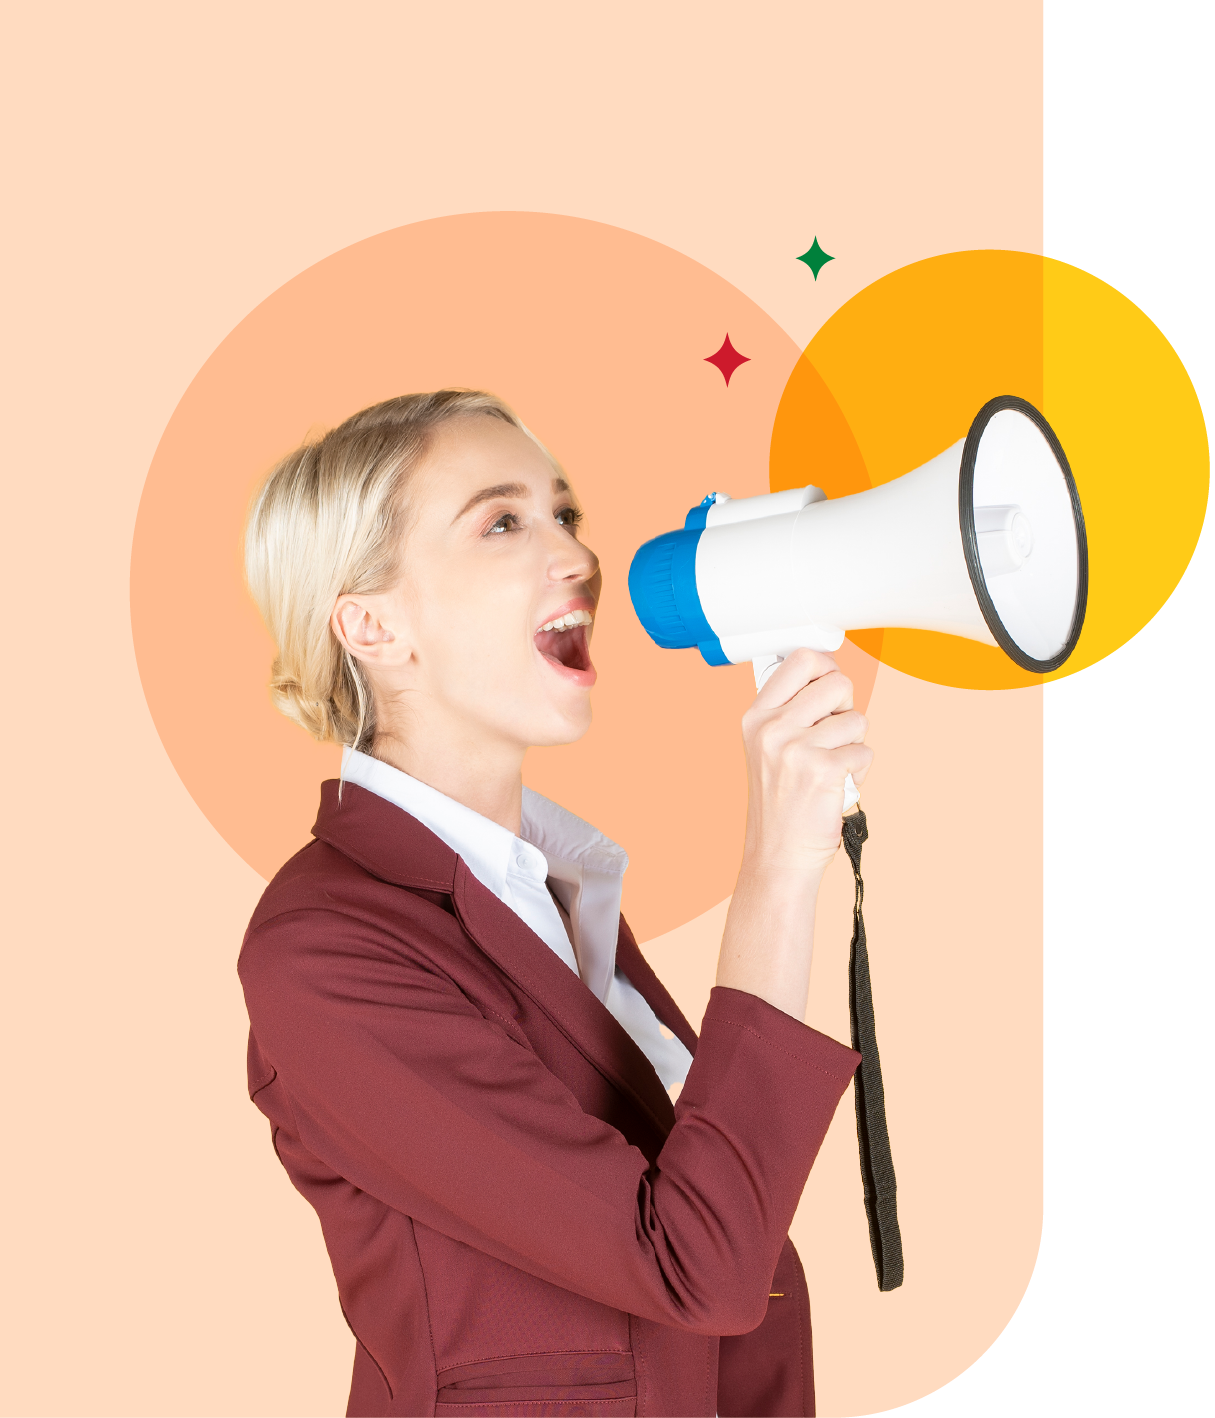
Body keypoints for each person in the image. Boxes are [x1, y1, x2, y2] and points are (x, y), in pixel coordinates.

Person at [239, 390, 873, 1417]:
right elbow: (693, 1263)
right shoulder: (324, 948)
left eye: (564, 513)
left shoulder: (550, 893)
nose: (577, 554)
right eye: (502, 521)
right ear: (372, 623)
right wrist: (779, 862)